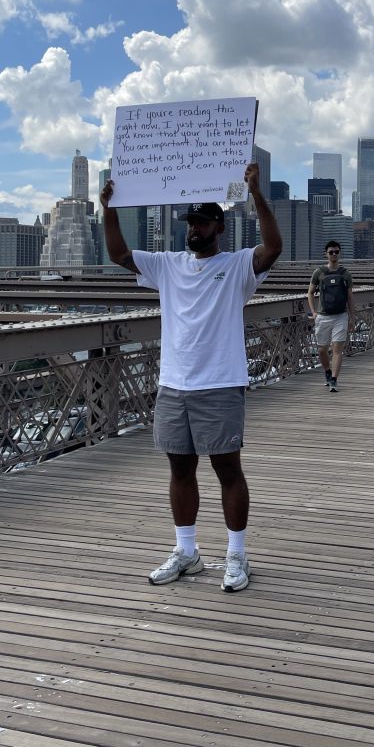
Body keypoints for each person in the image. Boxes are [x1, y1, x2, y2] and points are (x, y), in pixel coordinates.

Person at [100, 163, 282, 593]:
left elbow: (273, 247)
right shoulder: (167, 265)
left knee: (227, 469)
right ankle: (187, 551)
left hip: (220, 382)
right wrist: (108, 209)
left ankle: (237, 554)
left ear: (219, 227)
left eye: (201, 222)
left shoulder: (237, 266)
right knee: (179, 469)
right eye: (189, 222)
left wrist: (256, 194)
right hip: (174, 384)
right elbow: (119, 256)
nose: (193, 228)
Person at [307, 240, 354, 392]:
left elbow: (350, 297)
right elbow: (310, 293)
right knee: (322, 350)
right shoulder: (318, 272)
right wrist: (314, 312)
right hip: (322, 316)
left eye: (336, 252)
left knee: (337, 349)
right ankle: (327, 371)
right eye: (331, 252)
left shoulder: (346, 274)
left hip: (341, 315)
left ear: (340, 253)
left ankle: (334, 379)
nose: (334, 254)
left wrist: (352, 318)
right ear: (326, 254)